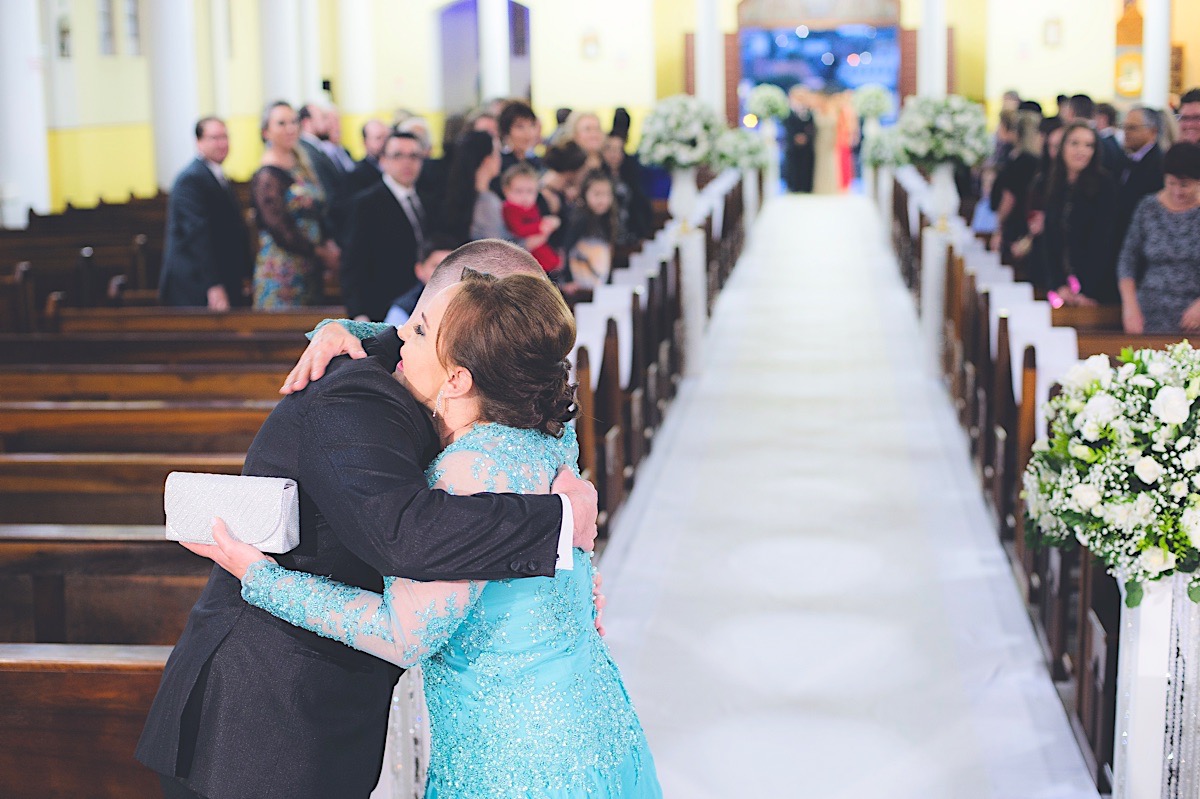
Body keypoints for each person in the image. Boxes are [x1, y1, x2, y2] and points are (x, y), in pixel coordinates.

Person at [137, 240, 600, 799]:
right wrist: (558, 521)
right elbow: (405, 536)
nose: (403, 332)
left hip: (331, 713)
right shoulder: (356, 400)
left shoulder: (473, 397)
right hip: (260, 727)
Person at [249, 101, 339, 309]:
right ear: (266, 132)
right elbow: (279, 228)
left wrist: (328, 244)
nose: (290, 128)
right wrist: (320, 252)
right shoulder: (267, 175)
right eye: (281, 123)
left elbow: (318, 210)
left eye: (293, 122)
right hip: (283, 271)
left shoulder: (301, 163)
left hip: (310, 267)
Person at [158, 116, 252, 309]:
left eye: (225, 137)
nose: (222, 143)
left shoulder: (215, 174)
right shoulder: (191, 179)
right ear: (199, 142)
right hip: (197, 284)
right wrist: (213, 284)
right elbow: (196, 235)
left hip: (221, 276)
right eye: (215, 138)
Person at [341, 132, 432, 321]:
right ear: (383, 161)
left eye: (414, 156)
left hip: (423, 304)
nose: (407, 163)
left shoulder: (428, 199)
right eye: (398, 155)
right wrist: (358, 313)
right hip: (383, 306)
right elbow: (353, 261)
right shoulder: (366, 203)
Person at [1118, 142, 1200, 333]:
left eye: (1185, 185)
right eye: (1171, 183)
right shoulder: (1148, 208)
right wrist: (1130, 306)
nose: (1177, 191)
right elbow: (1127, 260)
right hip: (1150, 311)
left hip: (1193, 315)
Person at [1039, 121, 1119, 306]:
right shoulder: (1055, 182)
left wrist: (1087, 289)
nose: (1081, 151)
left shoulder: (1104, 184)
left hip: (1095, 286)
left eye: (1088, 145)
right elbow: (1050, 237)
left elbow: (1103, 241)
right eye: (1074, 143)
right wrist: (1058, 283)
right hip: (1062, 285)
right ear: (1063, 146)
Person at [440, 130, 509, 246]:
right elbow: (498, 248)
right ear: (487, 160)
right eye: (497, 153)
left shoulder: (457, 195)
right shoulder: (487, 202)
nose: (500, 158)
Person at [989, 110, 1041, 261]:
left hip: (1015, 223)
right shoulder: (1035, 161)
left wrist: (998, 228)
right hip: (1025, 222)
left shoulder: (1019, 161)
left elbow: (1008, 198)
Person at [1116, 106, 1166, 247]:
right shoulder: (1125, 159)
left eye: (1132, 128)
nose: (1126, 132)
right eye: (1124, 127)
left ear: (1153, 131)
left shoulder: (1159, 165)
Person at [562, 168, 620, 287]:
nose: (602, 200)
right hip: (578, 284)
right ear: (585, 193)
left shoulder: (608, 219)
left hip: (598, 281)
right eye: (597, 194)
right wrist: (568, 279)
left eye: (607, 194)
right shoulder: (580, 218)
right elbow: (566, 249)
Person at [382, 236, 455, 328]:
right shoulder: (403, 309)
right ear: (419, 270)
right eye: (436, 266)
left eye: (449, 266)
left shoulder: (469, 303)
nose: (444, 272)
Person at [501, 163, 561, 273]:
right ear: (506, 191)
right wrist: (541, 226)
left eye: (530, 191)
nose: (525, 197)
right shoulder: (509, 208)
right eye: (518, 191)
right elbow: (519, 229)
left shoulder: (532, 207)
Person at [600, 133, 652, 241]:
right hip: (604, 234)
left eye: (619, 150)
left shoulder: (630, 177)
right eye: (610, 149)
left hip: (628, 234)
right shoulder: (598, 177)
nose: (615, 155)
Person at [343, 119, 391, 199]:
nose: (384, 142)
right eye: (378, 138)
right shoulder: (355, 175)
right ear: (365, 142)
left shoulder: (398, 168)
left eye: (387, 138)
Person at [783, 87, 816, 193]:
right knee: (793, 166)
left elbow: (812, 127)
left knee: (806, 165)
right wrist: (795, 137)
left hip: (807, 145)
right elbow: (788, 126)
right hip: (793, 145)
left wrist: (806, 137)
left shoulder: (809, 111)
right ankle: (794, 186)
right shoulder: (788, 111)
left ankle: (805, 186)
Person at [498, 100, 542, 174]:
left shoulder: (537, 162)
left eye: (531, 125)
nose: (527, 133)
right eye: (520, 127)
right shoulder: (499, 164)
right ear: (506, 131)